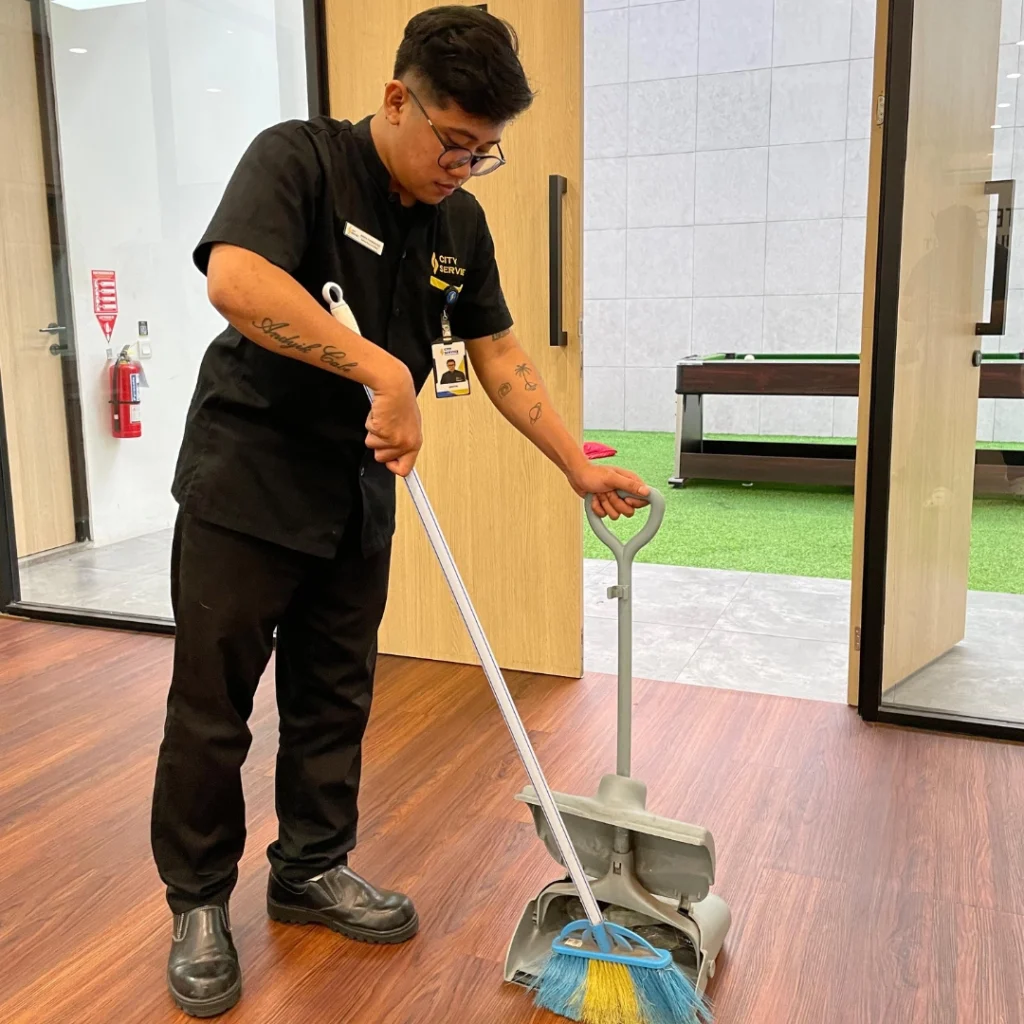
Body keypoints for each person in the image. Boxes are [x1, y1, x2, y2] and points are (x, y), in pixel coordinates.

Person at [151, 5, 649, 1018]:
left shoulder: (457, 223)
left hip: (358, 491)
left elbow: (501, 356)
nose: (462, 167)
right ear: (395, 100)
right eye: (452, 143)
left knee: (336, 694)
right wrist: (386, 373)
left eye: (484, 153)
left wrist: (574, 465)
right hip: (247, 479)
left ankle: (311, 868)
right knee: (214, 707)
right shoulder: (297, 160)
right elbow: (237, 279)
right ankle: (198, 900)